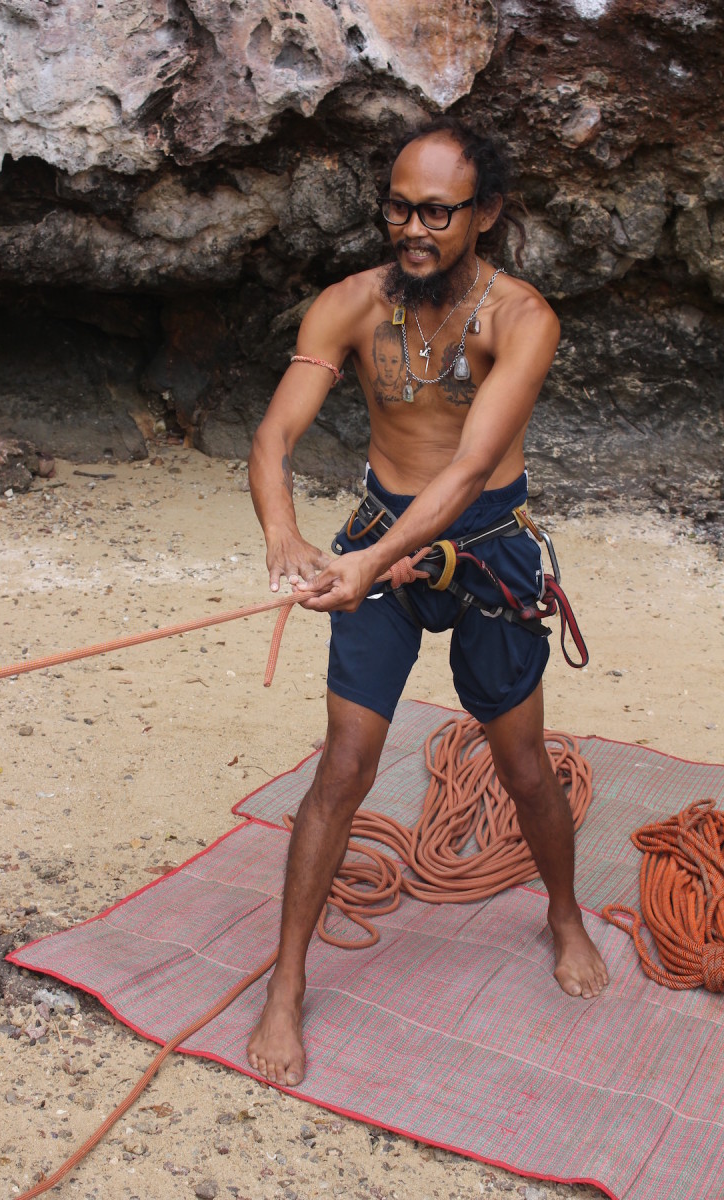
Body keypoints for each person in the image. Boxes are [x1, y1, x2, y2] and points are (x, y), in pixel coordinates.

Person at [246, 118, 609, 1087]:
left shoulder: (520, 319)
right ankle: (285, 985)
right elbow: (273, 437)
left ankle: (562, 916)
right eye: (399, 207)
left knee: (525, 769)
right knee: (343, 766)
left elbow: (466, 471)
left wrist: (371, 565)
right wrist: (286, 535)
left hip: (484, 548)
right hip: (375, 535)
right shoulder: (349, 306)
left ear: (482, 213)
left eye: (436, 212)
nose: (412, 228)